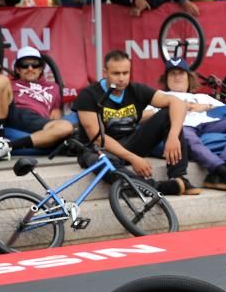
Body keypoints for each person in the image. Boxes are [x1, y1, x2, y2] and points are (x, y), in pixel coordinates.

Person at [73, 49, 198, 196]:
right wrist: (133, 158)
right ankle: (156, 187)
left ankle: (179, 177)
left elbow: (177, 102)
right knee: (103, 163)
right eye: (116, 73)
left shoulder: (135, 89)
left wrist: (173, 135)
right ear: (105, 72)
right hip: (98, 149)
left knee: (167, 115)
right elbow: (98, 137)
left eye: (125, 73)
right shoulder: (88, 95)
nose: (121, 78)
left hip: (130, 143)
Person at [150, 58, 226, 193]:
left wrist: (204, 106)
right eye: (172, 73)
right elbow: (144, 117)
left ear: (188, 77)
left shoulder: (201, 97)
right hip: (183, 127)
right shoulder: (160, 96)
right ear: (166, 79)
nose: (177, 77)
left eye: (181, 73)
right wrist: (173, 107)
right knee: (185, 135)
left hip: (206, 124)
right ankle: (223, 172)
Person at [0, 47, 73, 163]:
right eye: (24, 65)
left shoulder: (54, 88)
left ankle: (7, 147)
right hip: (13, 112)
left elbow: (57, 109)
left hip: (36, 119)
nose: (30, 69)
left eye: (35, 65)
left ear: (41, 69)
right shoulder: (10, 84)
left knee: (66, 127)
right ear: (18, 69)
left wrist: (56, 110)